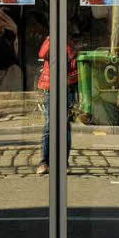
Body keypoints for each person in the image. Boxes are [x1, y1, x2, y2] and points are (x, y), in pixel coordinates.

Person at [37, 31, 79, 175]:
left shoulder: (70, 44)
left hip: (67, 87)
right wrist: (52, 39)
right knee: (50, 124)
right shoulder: (50, 41)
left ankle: (63, 162)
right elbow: (42, 53)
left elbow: (73, 61)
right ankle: (45, 161)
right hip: (51, 87)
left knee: (64, 125)